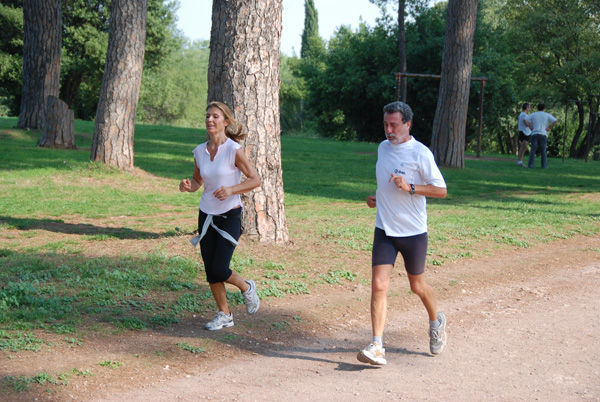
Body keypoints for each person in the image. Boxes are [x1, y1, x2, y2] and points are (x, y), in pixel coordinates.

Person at [357, 101, 448, 366]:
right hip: (385, 228)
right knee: (378, 284)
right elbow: (387, 181)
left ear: (408, 124)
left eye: (394, 124)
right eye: (386, 124)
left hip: (413, 232)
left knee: (417, 286)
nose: (388, 130)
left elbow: (441, 190)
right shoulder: (383, 148)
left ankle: (436, 321)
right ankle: (376, 345)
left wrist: (410, 188)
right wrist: (378, 197)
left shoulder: (421, 153)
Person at [179, 101, 261, 331]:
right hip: (206, 214)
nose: (210, 120)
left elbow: (255, 179)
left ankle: (246, 287)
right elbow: (198, 181)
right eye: (207, 116)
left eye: (215, 116)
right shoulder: (199, 151)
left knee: (220, 268)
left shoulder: (233, 150)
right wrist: (188, 185)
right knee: (210, 271)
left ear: (225, 122)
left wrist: (231, 189)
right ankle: (224, 314)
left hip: (229, 215)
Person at [524, 103, 557, 169]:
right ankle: (544, 166)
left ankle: (530, 165)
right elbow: (555, 121)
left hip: (535, 133)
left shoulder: (533, 114)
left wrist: (530, 126)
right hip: (543, 133)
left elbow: (525, 119)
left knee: (533, 150)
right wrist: (550, 127)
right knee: (543, 150)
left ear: (537, 108)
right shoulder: (547, 115)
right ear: (544, 108)